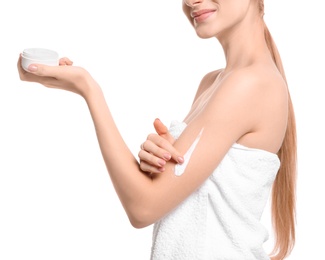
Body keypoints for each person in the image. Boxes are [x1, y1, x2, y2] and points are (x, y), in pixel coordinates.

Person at [17, 0, 297, 259]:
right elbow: (172, 196)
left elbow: (143, 208)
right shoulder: (213, 83)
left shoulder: (250, 84)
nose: (191, 1)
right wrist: (156, 165)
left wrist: (89, 90)